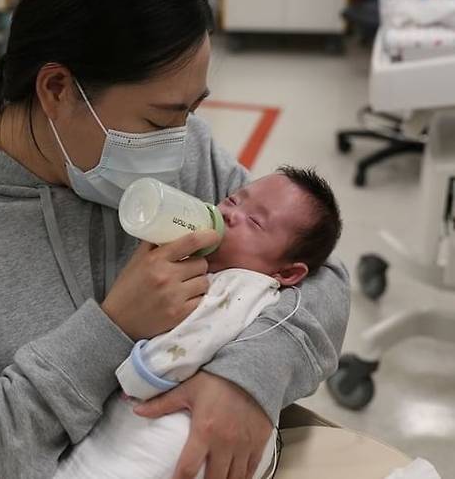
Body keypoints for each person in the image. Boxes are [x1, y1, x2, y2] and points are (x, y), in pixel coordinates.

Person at [0, 0, 350, 478]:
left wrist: (247, 378)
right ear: (58, 88)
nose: (180, 141)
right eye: (157, 121)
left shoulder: (185, 153)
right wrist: (111, 329)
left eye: (191, 112)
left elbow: (318, 273)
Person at [53, 166, 343, 479]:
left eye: (255, 222)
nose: (231, 215)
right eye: (233, 200)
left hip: (178, 410)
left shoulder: (242, 287)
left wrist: (143, 369)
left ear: (287, 274)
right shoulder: (204, 265)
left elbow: (193, 340)